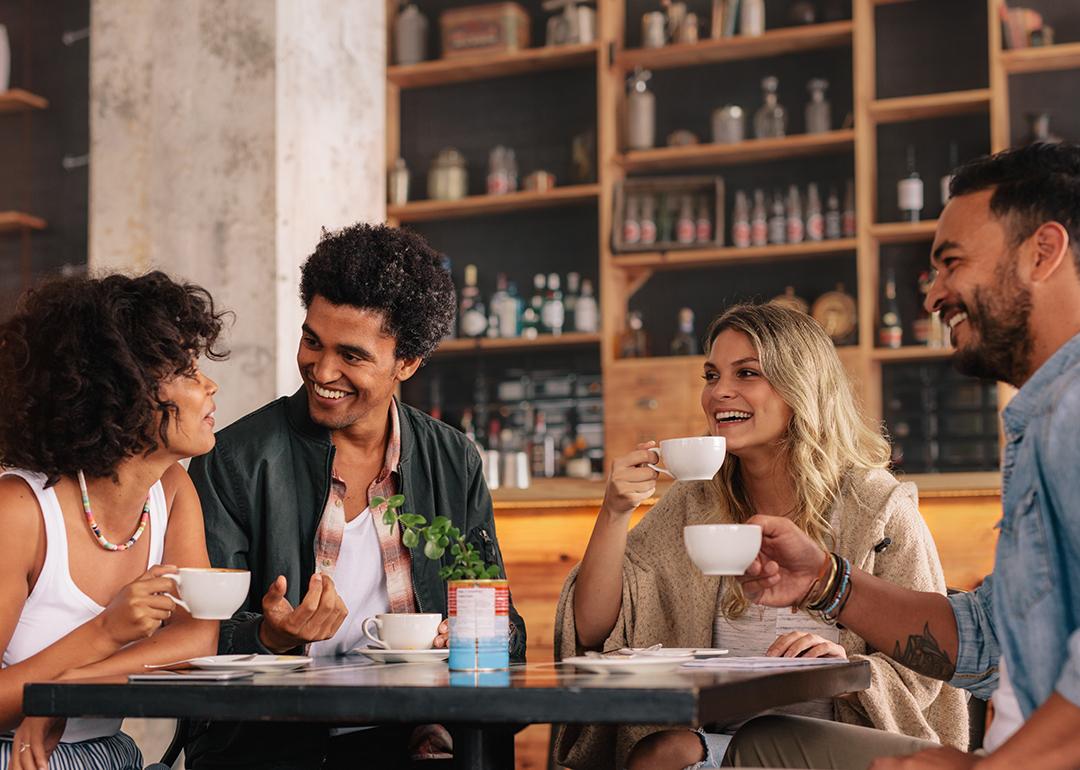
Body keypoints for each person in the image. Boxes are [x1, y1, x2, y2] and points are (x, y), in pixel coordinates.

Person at [726, 142, 1080, 769]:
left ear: (1043, 253)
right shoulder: (1044, 415)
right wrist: (826, 582)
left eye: (952, 263)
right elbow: (985, 640)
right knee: (762, 743)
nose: (932, 294)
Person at [552, 302, 967, 770]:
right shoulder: (694, 502)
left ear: (800, 387)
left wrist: (849, 666)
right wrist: (614, 511)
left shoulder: (879, 509)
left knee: (664, 754)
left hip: (842, 749)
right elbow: (593, 629)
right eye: (711, 376)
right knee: (663, 751)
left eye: (746, 373)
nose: (719, 393)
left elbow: (930, 663)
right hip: (717, 746)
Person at [184, 222, 527, 769]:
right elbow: (190, 638)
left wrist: (466, 640)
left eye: (352, 355)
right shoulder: (233, 459)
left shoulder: (453, 459)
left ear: (407, 363)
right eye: (312, 340)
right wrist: (269, 636)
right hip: (271, 746)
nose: (322, 370)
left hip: (416, 742)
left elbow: (508, 633)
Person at [0, 272, 225, 770]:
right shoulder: (19, 510)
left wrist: (61, 692)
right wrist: (107, 630)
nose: (211, 384)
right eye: (187, 371)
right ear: (124, 391)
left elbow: (194, 640)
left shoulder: (172, 488)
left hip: (110, 755)